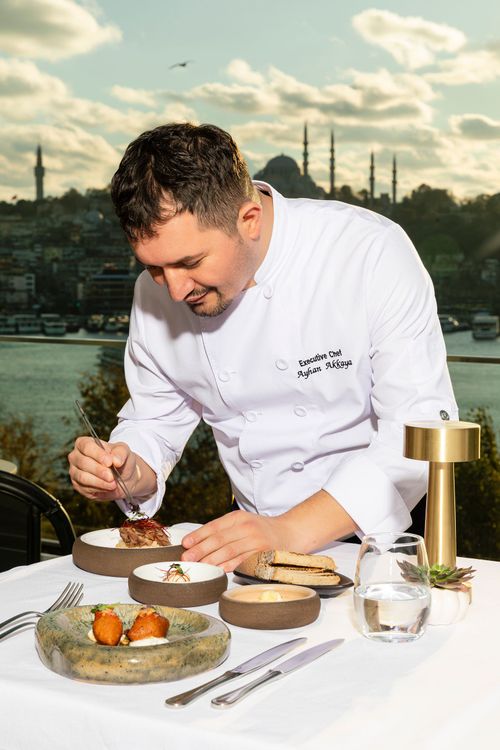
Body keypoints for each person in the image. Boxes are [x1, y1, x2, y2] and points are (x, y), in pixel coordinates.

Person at [68, 122, 458, 572]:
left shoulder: (368, 253)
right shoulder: (154, 292)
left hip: (375, 544)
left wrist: (289, 530)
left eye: (190, 262)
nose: (173, 290)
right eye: (155, 267)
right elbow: (155, 421)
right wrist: (126, 470)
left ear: (248, 220)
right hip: (249, 541)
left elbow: (418, 436)